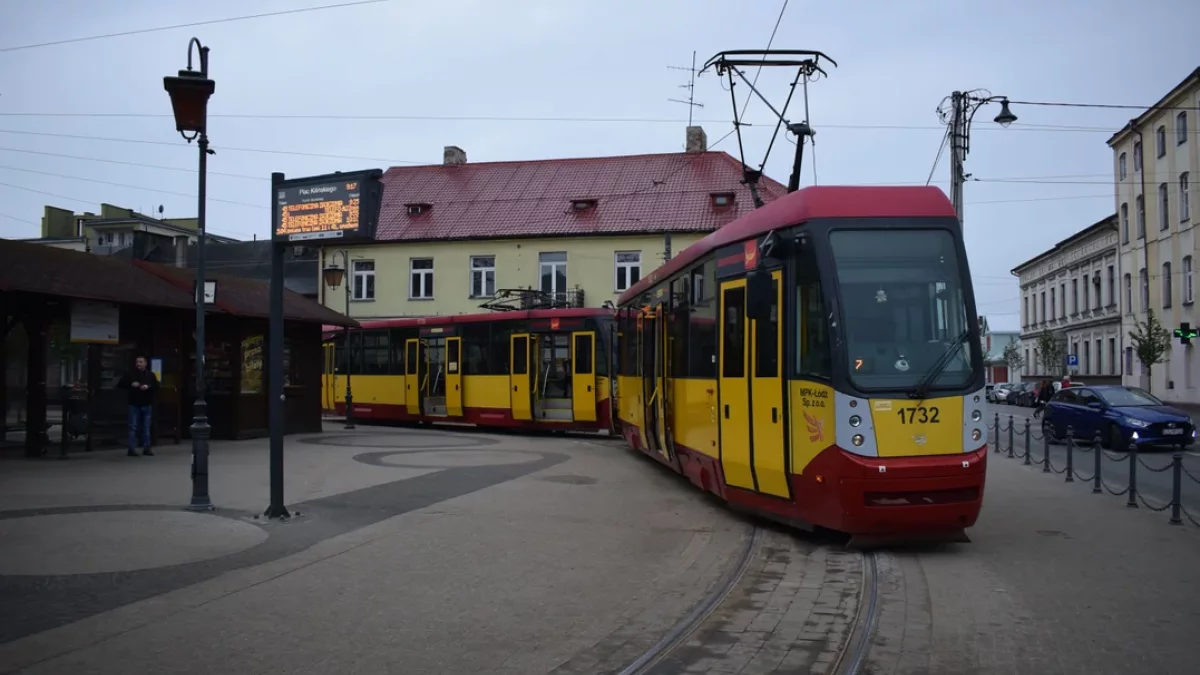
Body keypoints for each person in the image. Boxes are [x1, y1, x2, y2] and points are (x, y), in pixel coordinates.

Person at [118, 355, 158, 457]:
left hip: (146, 404)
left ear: (145, 363)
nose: (138, 364)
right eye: (137, 362)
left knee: (146, 427)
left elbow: (156, 386)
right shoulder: (130, 374)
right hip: (134, 403)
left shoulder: (150, 375)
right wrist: (131, 384)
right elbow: (120, 384)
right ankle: (131, 449)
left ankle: (147, 448)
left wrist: (148, 386)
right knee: (133, 426)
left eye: (140, 362)